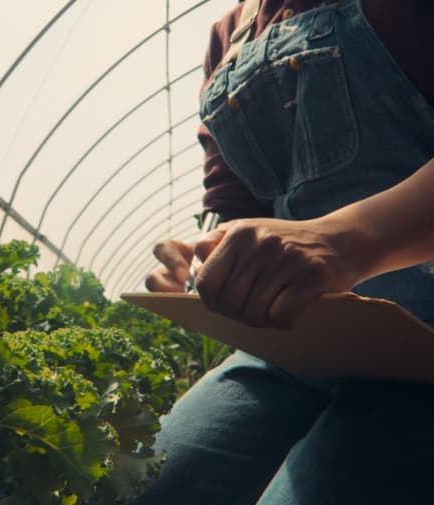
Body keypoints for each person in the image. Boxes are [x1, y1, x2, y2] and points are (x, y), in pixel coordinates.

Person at [132, 1, 434, 503]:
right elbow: (232, 204)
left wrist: (343, 241)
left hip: (424, 351)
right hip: (293, 347)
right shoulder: (230, 36)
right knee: (151, 482)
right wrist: (205, 260)